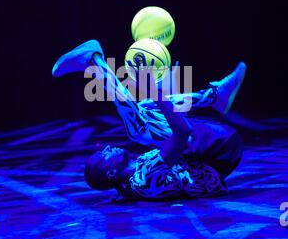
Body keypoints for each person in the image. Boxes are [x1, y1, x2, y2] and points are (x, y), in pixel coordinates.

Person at [52, 39, 246, 201]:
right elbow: (183, 133)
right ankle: (93, 62)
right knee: (139, 129)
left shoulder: (137, 177)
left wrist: (159, 92)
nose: (107, 147)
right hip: (221, 149)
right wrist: (152, 89)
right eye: (103, 155)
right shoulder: (146, 178)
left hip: (213, 147)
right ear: (110, 173)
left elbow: (180, 140)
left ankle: (215, 96)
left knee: (144, 109)